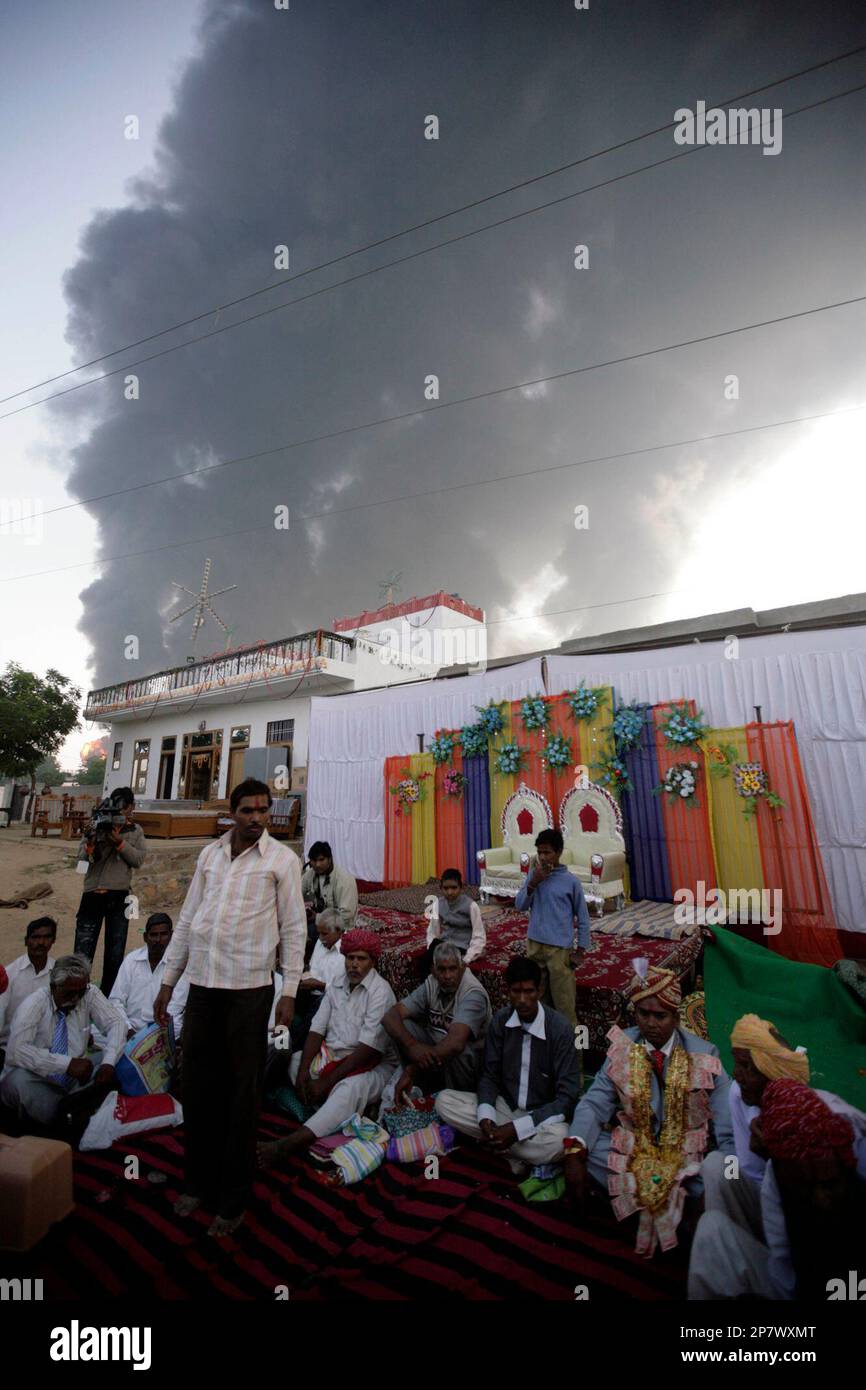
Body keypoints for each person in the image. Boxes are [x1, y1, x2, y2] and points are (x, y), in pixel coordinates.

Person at [154, 778, 307, 1237]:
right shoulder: (209, 855)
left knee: (241, 1095)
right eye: (247, 811)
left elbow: (295, 928)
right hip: (202, 987)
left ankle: (233, 1198)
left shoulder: (283, 861)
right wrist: (168, 981)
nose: (257, 818)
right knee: (198, 1088)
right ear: (232, 812)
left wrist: (290, 991)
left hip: (249, 990)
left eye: (263, 810)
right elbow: (186, 919)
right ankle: (197, 1182)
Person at [564, 963, 733, 1256]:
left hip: (685, 1161)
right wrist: (575, 1151)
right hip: (636, 1150)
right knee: (584, 1148)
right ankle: (673, 1215)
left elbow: (728, 1129)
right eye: (644, 1014)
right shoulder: (622, 1046)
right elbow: (595, 1102)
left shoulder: (705, 1056)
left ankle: (660, 1208)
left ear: (676, 1017)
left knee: (714, 1179)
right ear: (635, 1014)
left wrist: (718, 1181)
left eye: (660, 1016)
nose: (651, 1023)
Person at [688, 1078, 866, 1299]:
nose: (740, 1074)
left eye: (829, 1184)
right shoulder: (777, 1164)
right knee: (716, 1168)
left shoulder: (848, 1144)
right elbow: (782, 1261)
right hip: (789, 1266)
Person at [699, 1013, 866, 1245]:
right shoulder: (739, 1092)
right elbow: (751, 1170)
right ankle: (735, 1240)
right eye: (736, 1063)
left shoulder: (830, 1117)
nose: (736, 1074)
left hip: (817, 1223)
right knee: (719, 1165)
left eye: (747, 1066)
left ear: (771, 1073)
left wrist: (779, 1159)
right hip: (766, 1195)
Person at [256, 929, 397, 1169]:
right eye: (350, 958)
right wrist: (302, 1074)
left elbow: (366, 1051)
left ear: (372, 962)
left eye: (361, 959)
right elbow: (316, 1030)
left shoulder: (380, 992)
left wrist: (326, 1082)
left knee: (348, 1090)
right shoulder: (337, 985)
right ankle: (330, 1114)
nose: (354, 964)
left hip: (370, 1065)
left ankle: (288, 1144)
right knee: (294, 1060)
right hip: (332, 1057)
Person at [435, 956, 582, 1175]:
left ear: (540, 991)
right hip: (506, 1107)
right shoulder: (501, 1021)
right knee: (444, 1101)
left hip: (541, 1117)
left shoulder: (560, 1030)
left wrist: (517, 1129)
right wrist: (486, 1117)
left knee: (560, 1141)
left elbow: (567, 1098)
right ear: (508, 992)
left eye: (529, 992)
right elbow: (489, 1076)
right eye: (516, 992)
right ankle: (511, 1150)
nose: (522, 1000)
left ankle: (498, 1146)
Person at [0, 953, 125, 1136]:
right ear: (53, 987)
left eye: (80, 992)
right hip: (38, 1080)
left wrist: (108, 1063)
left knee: (120, 1057)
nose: (76, 998)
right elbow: (16, 1052)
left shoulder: (88, 993)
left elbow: (117, 1023)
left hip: (76, 1080)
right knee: (17, 1080)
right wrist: (66, 1065)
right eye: (69, 993)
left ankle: (76, 1112)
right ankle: (72, 1118)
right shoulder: (34, 1003)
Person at [383, 941, 492, 1104]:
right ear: (433, 970)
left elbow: (455, 1043)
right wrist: (412, 1045)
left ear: (462, 968)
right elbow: (390, 1016)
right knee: (403, 1026)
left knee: (460, 1051)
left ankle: (456, 1099)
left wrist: (414, 1068)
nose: (447, 976)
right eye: (442, 969)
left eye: (452, 969)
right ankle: (425, 1086)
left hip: (468, 1068)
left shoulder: (472, 993)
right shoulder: (432, 983)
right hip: (437, 1056)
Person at [263, 909, 347, 1094]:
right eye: (319, 933)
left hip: (323, 997)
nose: (321, 938)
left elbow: (340, 991)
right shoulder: (320, 942)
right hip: (308, 991)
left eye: (325, 934)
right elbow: (313, 968)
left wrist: (317, 984)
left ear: (339, 931)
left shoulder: (345, 953)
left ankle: (290, 1054)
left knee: (283, 1046)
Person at [74, 787, 147, 997]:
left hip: (120, 895)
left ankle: (109, 997)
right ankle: (78, 996)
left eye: (123, 809)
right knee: (82, 953)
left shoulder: (135, 831)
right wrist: (90, 846)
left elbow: (138, 860)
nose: (119, 814)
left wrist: (120, 843)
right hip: (92, 895)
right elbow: (80, 867)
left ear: (131, 808)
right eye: (116, 809)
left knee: (115, 953)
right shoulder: (95, 827)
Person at [514, 828, 589, 1028]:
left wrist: (580, 950)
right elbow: (520, 905)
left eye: (547, 852)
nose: (543, 857)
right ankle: (542, 1050)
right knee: (536, 1003)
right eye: (539, 852)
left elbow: (583, 917)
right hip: (534, 947)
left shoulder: (571, 882)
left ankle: (574, 1057)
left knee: (564, 1006)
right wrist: (533, 883)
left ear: (559, 852)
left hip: (559, 951)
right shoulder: (534, 875)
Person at [108, 913, 189, 1039]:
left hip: (164, 1035)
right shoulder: (131, 960)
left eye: (163, 934)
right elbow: (116, 1000)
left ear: (171, 936)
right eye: (153, 935)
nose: (158, 940)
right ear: (145, 937)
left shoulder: (179, 965)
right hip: (130, 1033)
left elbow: (175, 1009)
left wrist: (148, 1041)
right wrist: (129, 1031)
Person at [0, 916, 57, 1067]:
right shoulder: (10, 974)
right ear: (26, 941)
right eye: (36, 937)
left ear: (53, 940)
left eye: (47, 937)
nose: (41, 942)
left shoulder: (58, 973)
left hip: (47, 1049)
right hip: (10, 1048)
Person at [421, 869, 486, 979]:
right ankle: (428, 990)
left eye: (454, 888)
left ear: (461, 887)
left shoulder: (471, 906)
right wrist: (433, 950)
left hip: (461, 947)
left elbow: (479, 936)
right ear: (440, 888)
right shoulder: (438, 904)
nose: (450, 892)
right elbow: (432, 931)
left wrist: (467, 958)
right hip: (444, 945)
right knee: (425, 962)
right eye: (446, 888)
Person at [301, 841, 358, 938]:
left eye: (321, 860)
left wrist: (318, 918)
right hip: (318, 921)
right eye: (314, 861)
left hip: (340, 927)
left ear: (330, 859)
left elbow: (346, 915)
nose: (317, 864)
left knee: (307, 932)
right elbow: (296, 894)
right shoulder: (311, 874)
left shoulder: (344, 880)